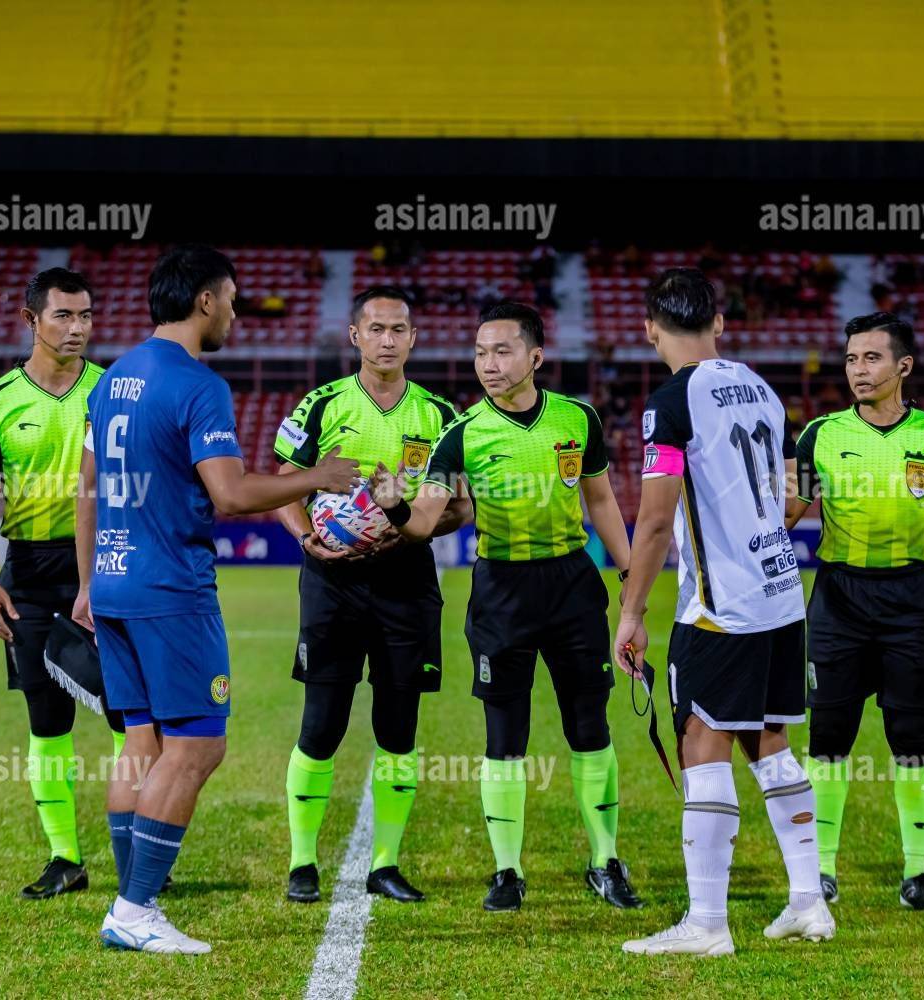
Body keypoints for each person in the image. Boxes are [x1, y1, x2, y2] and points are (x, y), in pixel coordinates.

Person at [72, 246, 360, 954]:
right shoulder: (198, 384)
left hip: (113, 579)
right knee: (199, 743)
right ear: (205, 300)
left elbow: (87, 488)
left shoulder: (110, 380)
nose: (235, 311)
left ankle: (132, 897)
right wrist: (317, 476)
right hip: (170, 588)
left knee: (142, 741)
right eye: (231, 298)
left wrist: (88, 580)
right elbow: (230, 495)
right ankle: (135, 909)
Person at [370, 301, 641, 913]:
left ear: (535, 357)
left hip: (572, 586)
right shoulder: (462, 433)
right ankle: (507, 872)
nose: (488, 364)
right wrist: (393, 504)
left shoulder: (578, 419)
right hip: (501, 593)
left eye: (502, 351)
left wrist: (629, 574)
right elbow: (422, 523)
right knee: (504, 735)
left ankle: (605, 861)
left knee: (590, 727)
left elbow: (601, 501)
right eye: (479, 353)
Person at [615, 269, 833, 957]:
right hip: (780, 594)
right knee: (770, 740)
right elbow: (798, 488)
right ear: (719, 323)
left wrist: (631, 613)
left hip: (721, 607)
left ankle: (707, 923)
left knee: (703, 744)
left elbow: (654, 522)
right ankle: (808, 901)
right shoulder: (763, 389)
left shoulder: (670, 403)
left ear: (650, 329)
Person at [274, 286, 471, 905]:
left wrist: (408, 525)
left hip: (406, 580)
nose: (388, 340)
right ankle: (302, 863)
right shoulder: (321, 404)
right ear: (355, 336)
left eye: (399, 329)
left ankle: (385, 864)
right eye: (377, 329)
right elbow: (283, 484)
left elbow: (461, 508)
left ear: (413, 338)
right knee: (321, 723)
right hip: (331, 581)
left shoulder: (441, 416)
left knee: (398, 726)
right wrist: (307, 538)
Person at [785, 311, 924, 912]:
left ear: (903, 366)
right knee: (829, 736)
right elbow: (782, 515)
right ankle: (821, 869)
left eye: (871, 358)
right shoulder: (818, 435)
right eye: (851, 359)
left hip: (913, 602)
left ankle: (918, 874)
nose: (858, 370)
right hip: (838, 599)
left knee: (912, 737)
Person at [0, 267, 120, 900]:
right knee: (46, 719)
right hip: (27, 572)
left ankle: (138, 850)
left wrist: (99, 577)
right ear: (31, 320)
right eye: (64, 316)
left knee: (128, 715)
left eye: (86, 316)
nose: (78, 328)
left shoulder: (112, 392)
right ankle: (64, 858)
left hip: (106, 565)